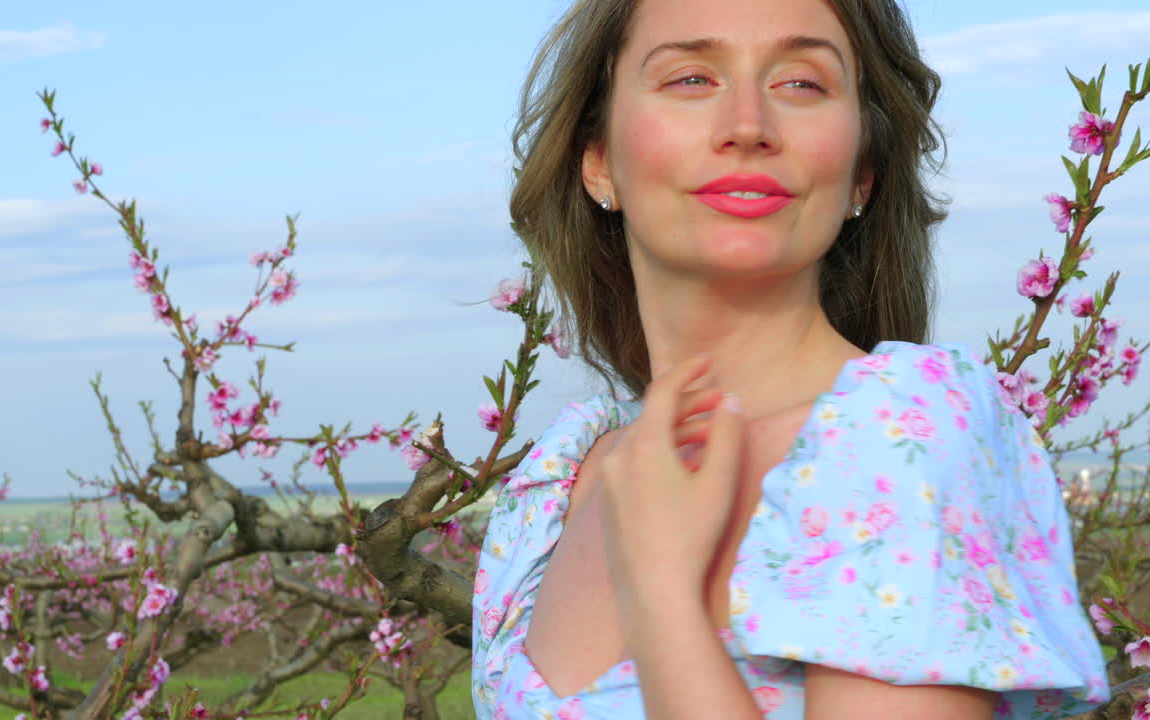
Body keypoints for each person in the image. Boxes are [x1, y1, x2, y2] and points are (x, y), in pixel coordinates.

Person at [472, 0, 1110, 717]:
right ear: (598, 162)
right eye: (689, 78)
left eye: (802, 83)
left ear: (862, 174)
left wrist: (660, 593)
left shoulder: (901, 437)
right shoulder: (556, 490)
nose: (747, 126)